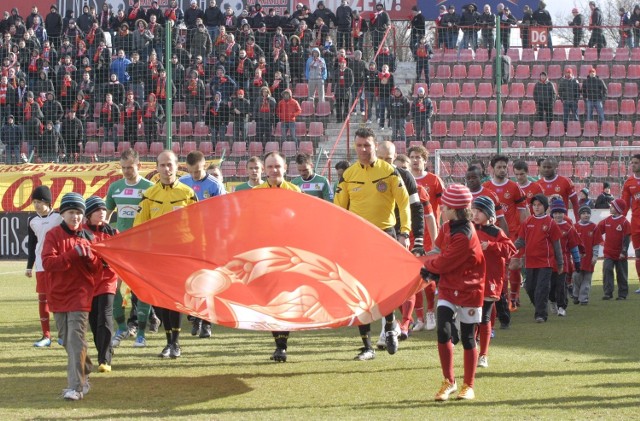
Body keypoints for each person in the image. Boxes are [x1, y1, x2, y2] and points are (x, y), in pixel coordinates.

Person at [334, 128, 410, 361]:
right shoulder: (348, 174)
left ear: (375, 146)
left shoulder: (389, 172)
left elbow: (404, 203)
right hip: (358, 239)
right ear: (354, 147)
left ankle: (389, 328)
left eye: (367, 145)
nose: (363, 150)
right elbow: (338, 210)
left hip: (385, 235)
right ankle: (366, 346)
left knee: (383, 288)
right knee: (359, 291)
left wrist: (405, 233)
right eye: (359, 145)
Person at [421, 184, 484, 401]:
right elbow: (437, 251)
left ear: (455, 208)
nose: (442, 208)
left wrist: (428, 267)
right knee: (443, 331)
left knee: (468, 338)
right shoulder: (447, 227)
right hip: (448, 287)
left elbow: (444, 262)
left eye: (445, 205)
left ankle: (469, 385)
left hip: (469, 289)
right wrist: (424, 260)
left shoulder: (464, 235)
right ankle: (449, 381)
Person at [133, 151, 198, 359]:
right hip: (156, 257)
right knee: (161, 303)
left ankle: (174, 344)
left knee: (176, 300)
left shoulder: (188, 193)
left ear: (177, 167)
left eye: (169, 165)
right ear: (157, 168)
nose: (166, 169)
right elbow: (139, 228)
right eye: (162, 165)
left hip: (180, 256)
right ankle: (168, 341)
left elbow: (199, 226)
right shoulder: (149, 194)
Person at [42, 192, 102, 401]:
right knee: (67, 341)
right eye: (71, 212)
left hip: (80, 296)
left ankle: (76, 387)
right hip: (58, 296)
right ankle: (85, 367)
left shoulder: (89, 237)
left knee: (75, 341)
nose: (75, 217)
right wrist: (72, 254)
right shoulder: (53, 235)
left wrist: (91, 258)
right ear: (63, 213)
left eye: (78, 213)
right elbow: (48, 263)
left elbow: (96, 271)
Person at [106, 149, 158, 348]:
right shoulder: (115, 188)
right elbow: (107, 214)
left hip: (143, 247)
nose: (126, 171)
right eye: (123, 168)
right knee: (113, 286)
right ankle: (121, 327)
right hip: (121, 246)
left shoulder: (150, 188)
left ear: (140, 166)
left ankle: (142, 333)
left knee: (142, 289)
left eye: (130, 167)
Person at [376, 142, 428, 341]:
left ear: (395, 156)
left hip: (402, 236)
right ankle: (391, 325)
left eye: (389, 159)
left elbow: (418, 210)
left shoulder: (405, 176)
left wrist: (417, 239)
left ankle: (404, 322)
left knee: (405, 282)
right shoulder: (366, 176)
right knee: (383, 284)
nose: (385, 163)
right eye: (381, 159)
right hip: (377, 237)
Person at [254, 151, 302, 362]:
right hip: (264, 253)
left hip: (289, 253)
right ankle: (278, 342)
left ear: (285, 168)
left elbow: (302, 221)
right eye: (270, 167)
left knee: (284, 298)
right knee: (270, 299)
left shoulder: (295, 191)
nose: (274, 170)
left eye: (278, 166)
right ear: (264, 169)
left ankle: (281, 345)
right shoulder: (255, 193)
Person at [179, 151, 226, 339]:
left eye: (198, 172)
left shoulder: (215, 185)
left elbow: (222, 212)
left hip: (209, 240)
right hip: (189, 239)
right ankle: (195, 316)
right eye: (192, 172)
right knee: (190, 278)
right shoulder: (183, 182)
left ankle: (206, 323)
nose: (195, 176)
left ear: (204, 166)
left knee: (207, 279)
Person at [472, 196, 515, 369]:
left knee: (484, 317)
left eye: (479, 211)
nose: (475, 214)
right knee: (471, 316)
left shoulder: (496, 232)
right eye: (473, 210)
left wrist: (490, 246)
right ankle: (472, 346)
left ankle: (483, 354)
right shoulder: (469, 228)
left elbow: (510, 250)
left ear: (489, 215)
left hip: (490, 280)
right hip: (471, 280)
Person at [483, 155, 527, 325]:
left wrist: (525, 233)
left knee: (514, 266)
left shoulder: (514, 187)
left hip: (513, 233)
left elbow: (523, 210)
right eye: (499, 167)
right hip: (493, 234)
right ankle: (505, 300)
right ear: (492, 168)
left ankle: (513, 297)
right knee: (500, 270)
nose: (502, 169)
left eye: (504, 167)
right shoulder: (486, 187)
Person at [514, 195, 564, 323]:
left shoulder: (550, 222)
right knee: (529, 287)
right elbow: (521, 241)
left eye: (539, 205)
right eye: (534, 205)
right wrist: (510, 248)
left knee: (541, 288)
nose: (536, 207)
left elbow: (556, 244)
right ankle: (540, 306)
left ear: (545, 207)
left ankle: (541, 315)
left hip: (545, 262)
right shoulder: (527, 222)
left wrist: (560, 262)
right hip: (530, 262)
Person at [84, 196, 118, 373]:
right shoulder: (81, 231)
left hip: (107, 280)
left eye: (104, 209)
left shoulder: (112, 232)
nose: (102, 212)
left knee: (104, 317)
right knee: (94, 319)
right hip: (88, 282)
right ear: (89, 214)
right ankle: (104, 352)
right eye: (98, 210)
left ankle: (105, 360)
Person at [26, 186, 62, 347]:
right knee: (43, 299)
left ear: (48, 201)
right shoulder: (32, 221)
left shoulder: (59, 217)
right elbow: (33, 244)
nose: (37, 205)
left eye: (40, 201)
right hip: (41, 265)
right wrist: (29, 266)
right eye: (34, 202)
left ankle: (63, 334)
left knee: (60, 299)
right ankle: (46, 336)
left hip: (58, 264)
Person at [548, 199, 582, 317]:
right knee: (550, 286)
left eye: (560, 212)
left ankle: (562, 306)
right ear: (552, 213)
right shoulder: (548, 226)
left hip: (564, 261)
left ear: (564, 213)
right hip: (550, 261)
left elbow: (574, 247)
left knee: (561, 285)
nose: (558, 215)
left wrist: (577, 262)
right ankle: (552, 301)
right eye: (555, 213)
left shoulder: (569, 228)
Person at [597, 199, 631, 300]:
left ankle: (622, 294)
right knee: (607, 270)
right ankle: (608, 293)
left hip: (620, 254)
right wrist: (600, 242)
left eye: (612, 206)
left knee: (622, 274)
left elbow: (626, 239)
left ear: (618, 209)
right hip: (608, 253)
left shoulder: (625, 222)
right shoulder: (607, 220)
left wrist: (623, 252)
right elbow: (597, 231)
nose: (610, 207)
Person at [573, 206, 600, 305]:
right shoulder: (575, 227)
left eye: (588, 213)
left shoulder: (594, 227)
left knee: (587, 278)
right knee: (576, 276)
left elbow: (596, 243)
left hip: (589, 258)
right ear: (579, 215)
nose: (586, 215)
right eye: (583, 213)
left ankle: (583, 298)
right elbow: (572, 243)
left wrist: (595, 256)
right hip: (577, 258)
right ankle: (576, 294)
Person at [622, 156, 640, 293]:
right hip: (636, 223)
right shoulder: (629, 182)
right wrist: (620, 220)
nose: (633, 165)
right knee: (638, 254)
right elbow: (624, 204)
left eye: (636, 163)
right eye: (632, 163)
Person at [333, 58, 353, 122]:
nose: (342, 64)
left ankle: (346, 118)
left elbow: (352, 81)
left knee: (346, 105)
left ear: (345, 63)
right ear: (339, 64)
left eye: (343, 63)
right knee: (338, 105)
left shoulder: (349, 71)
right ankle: (339, 119)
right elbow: (333, 81)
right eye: (341, 63)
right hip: (338, 90)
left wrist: (347, 86)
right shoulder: (336, 71)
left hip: (346, 90)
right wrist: (333, 90)